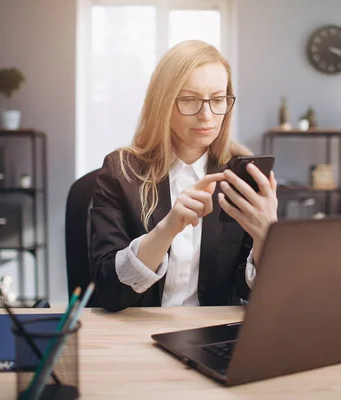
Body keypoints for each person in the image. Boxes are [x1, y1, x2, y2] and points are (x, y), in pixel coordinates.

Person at [88, 40, 278, 312]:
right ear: (162, 103)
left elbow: (253, 294)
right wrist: (167, 229)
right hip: (136, 331)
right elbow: (108, 290)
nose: (206, 115)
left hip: (212, 334)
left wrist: (266, 239)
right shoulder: (121, 171)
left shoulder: (243, 175)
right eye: (189, 100)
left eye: (217, 99)